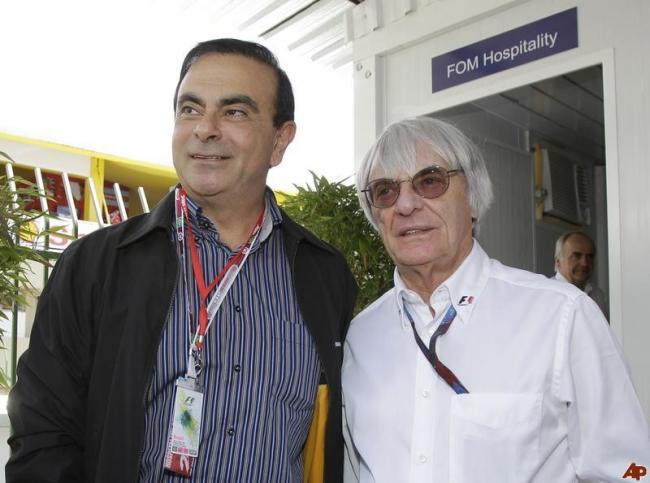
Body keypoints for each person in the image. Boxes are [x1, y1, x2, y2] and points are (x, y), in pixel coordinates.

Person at [6, 38, 357, 483]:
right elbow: (42, 436)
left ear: (280, 140)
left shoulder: (324, 276)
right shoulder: (96, 266)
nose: (205, 128)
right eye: (190, 109)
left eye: (234, 112)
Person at [342, 117, 649, 482]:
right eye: (385, 191)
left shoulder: (562, 316)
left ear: (472, 199)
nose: (406, 204)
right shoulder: (359, 339)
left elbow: (630, 471)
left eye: (430, 181)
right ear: (375, 216)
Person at [554, 230, 609, 319]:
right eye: (577, 255)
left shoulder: (598, 295)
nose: (584, 263)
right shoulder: (548, 295)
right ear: (558, 262)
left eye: (590, 256)